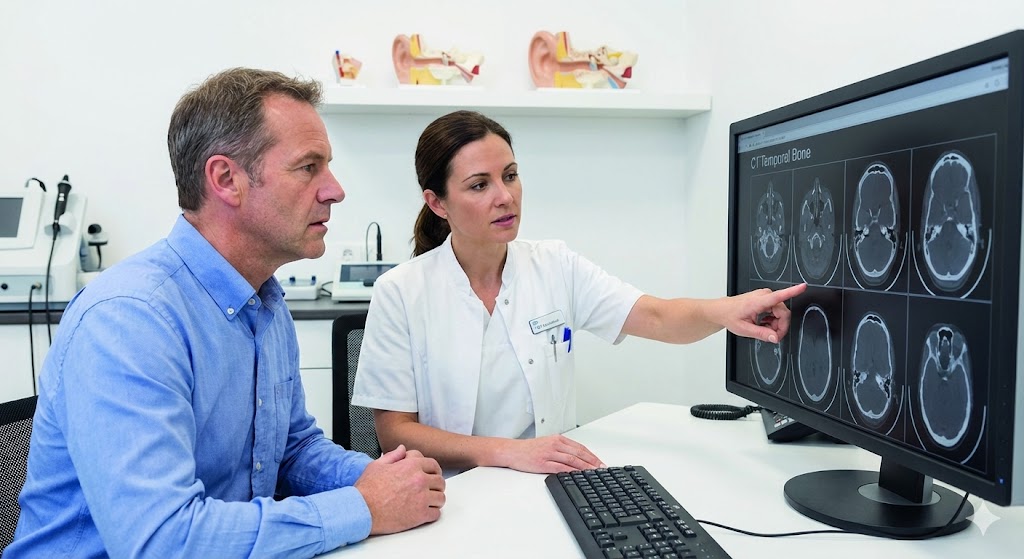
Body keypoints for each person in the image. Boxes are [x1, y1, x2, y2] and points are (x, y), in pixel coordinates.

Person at [7, 68, 445, 559]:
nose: (334, 190)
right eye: (308, 167)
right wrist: (364, 506)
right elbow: (163, 542)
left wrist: (374, 478)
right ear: (226, 179)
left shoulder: (266, 304)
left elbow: (291, 450)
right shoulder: (129, 320)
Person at [351, 110, 807, 476]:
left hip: (546, 481)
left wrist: (730, 311)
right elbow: (394, 433)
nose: (505, 196)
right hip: (449, 494)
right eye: (479, 185)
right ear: (437, 203)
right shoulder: (401, 292)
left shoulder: (555, 265)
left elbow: (656, 316)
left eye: (510, 175)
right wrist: (509, 452)